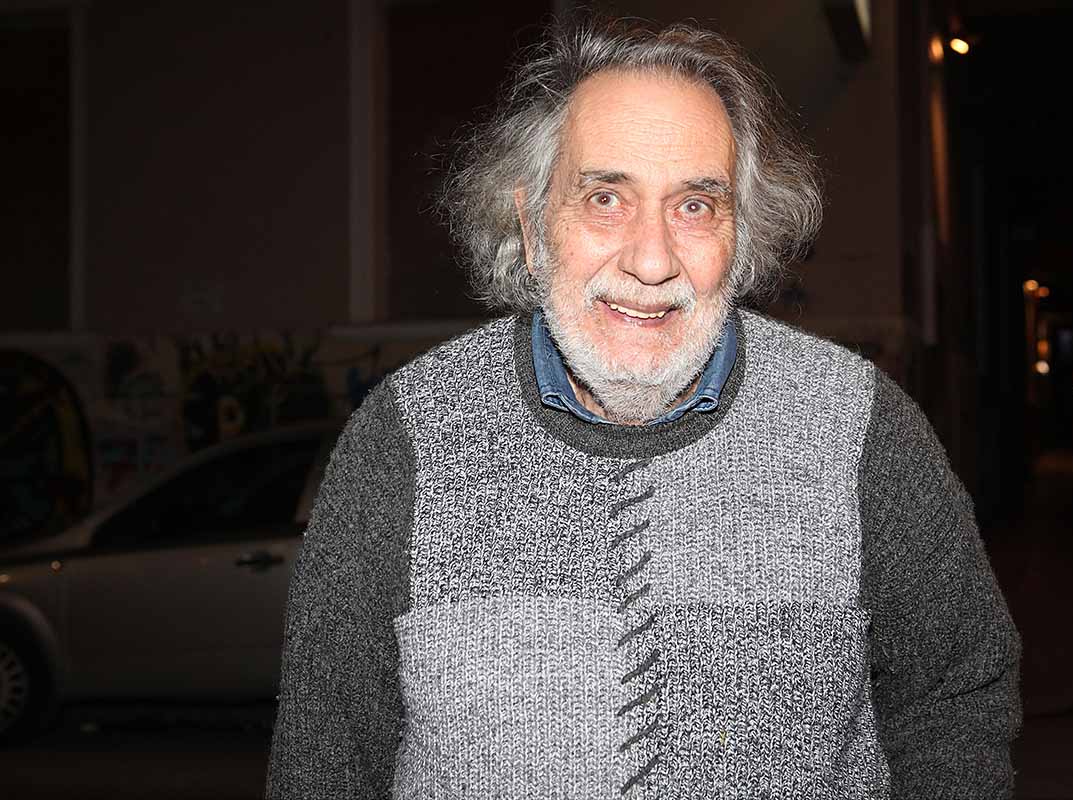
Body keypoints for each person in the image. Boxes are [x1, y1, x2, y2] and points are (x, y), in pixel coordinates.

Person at [266, 17, 1021, 800]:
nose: (653, 260)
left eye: (695, 206)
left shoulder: (862, 428)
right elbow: (325, 757)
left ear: (740, 235)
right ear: (531, 226)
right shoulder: (404, 437)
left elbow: (957, 698)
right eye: (606, 198)